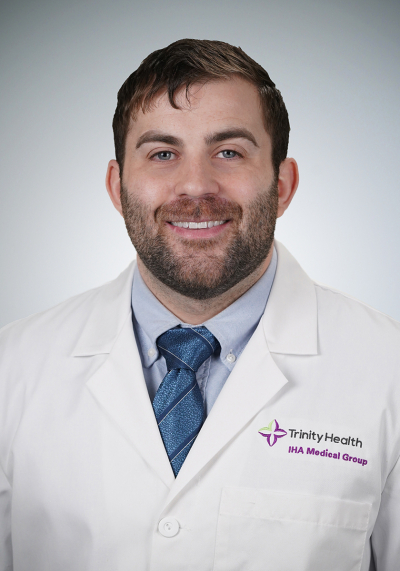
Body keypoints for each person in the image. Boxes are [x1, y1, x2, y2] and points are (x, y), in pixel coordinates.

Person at [0, 38, 399, 571]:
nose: (195, 185)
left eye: (229, 152)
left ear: (282, 185)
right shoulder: (13, 366)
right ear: (117, 187)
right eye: (162, 154)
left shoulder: (388, 371)